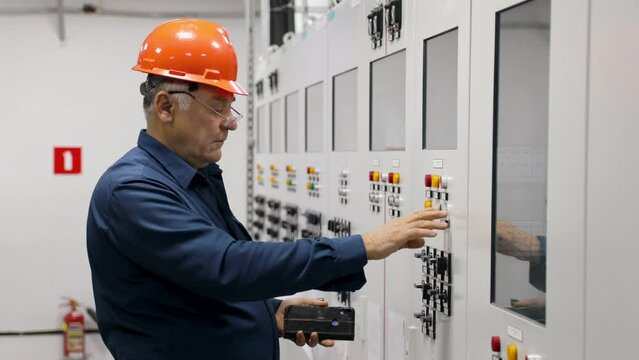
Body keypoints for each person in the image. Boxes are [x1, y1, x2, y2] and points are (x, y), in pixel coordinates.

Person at [86, 19, 448, 360]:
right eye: (217, 107)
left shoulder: (196, 177)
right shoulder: (132, 190)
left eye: (231, 108)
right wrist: (362, 246)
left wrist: (270, 311)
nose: (230, 123)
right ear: (166, 106)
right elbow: (228, 266)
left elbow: (197, 283)